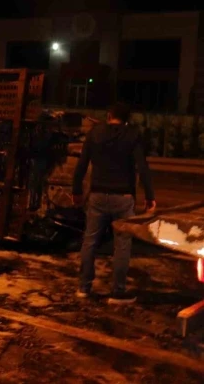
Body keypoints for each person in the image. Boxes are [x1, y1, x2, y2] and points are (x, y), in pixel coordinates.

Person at [72, 102, 156, 304]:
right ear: (127, 118)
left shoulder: (95, 133)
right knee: (122, 245)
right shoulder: (133, 135)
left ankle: (84, 287)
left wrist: (76, 190)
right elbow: (142, 167)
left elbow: (82, 164)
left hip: (98, 195)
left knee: (90, 241)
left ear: (109, 115)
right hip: (123, 197)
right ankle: (117, 292)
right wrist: (149, 196)